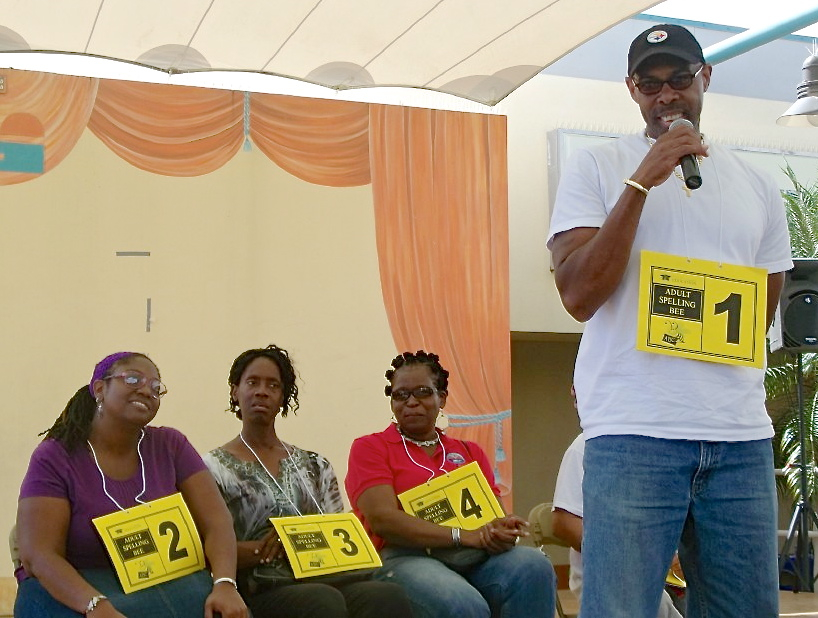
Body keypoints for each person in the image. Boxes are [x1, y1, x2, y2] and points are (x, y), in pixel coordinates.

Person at [547, 23, 793, 618]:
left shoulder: (759, 187)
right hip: (635, 431)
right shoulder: (596, 169)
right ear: (632, 90)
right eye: (650, 84)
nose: (666, 96)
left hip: (737, 436)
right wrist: (642, 181)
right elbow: (578, 294)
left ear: (704, 77)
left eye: (679, 79)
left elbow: (759, 314)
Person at [14, 352, 247, 618]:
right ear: (100, 389)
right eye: (133, 379)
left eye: (156, 387)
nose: (147, 390)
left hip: (166, 582)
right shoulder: (56, 456)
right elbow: (39, 554)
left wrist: (225, 583)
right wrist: (95, 606)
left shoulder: (171, 445)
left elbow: (217, 521)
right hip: (78, 588)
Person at [203, 344, 413, 618]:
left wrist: (294, 541)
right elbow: (206, 548)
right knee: (322, 601)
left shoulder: (316, 464)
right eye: (252, 382)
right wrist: (268, 550)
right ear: (235, 390)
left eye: (273, 385)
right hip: (261, 584)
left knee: (386, 595)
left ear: (283, 398)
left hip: (323, 576)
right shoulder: (210, 467)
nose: (261, 391)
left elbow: (337, 535)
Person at [345, 350, 556, 618]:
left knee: (534, 565)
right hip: (404, 557)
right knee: (463, 603)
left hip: (472, 556)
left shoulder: (469, 452)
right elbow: (382, 520)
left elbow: (492, 515)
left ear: (441, 398)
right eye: (400, 395)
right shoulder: (371, 447)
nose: (411, 402)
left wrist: (500, 530)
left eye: (422, 392)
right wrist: (463, 535)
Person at [552, 433, 684, 618]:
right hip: (617, 575)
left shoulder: (684, 442)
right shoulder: (586, 445)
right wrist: (636, 556)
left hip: (680, 576)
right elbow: (564, 524)